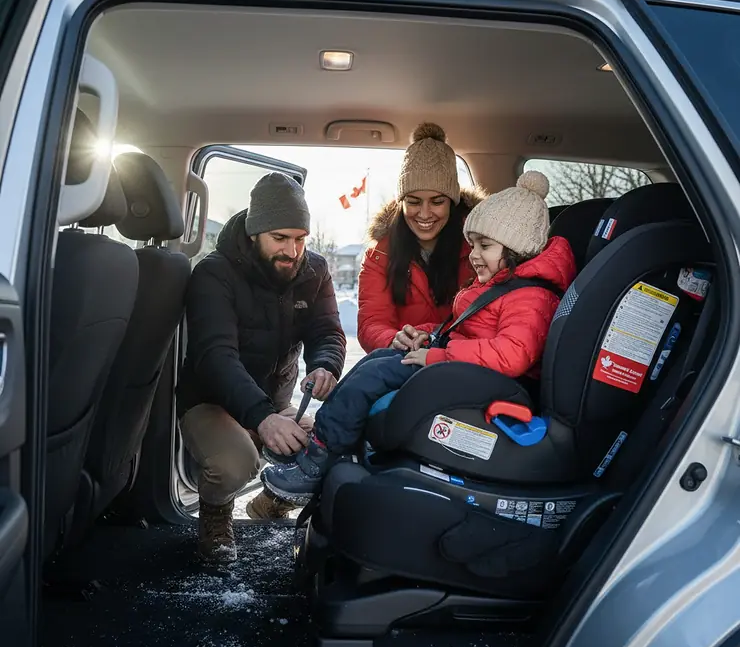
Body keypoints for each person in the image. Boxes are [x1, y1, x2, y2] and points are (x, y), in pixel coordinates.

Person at [261, 170, 577, 501]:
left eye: (485, 246)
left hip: (487, 381)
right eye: (472, 245)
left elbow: (511, 355)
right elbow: (462, 328)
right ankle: (325, 445)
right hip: (466, 367)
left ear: (516, 248)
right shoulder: (500, 284)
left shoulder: (529, 296)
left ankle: (317, 462)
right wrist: (424, 335)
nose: (474, 255)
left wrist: (438, 355)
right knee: (378, 361)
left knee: (377, 374)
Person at [176, 172, 346, 563]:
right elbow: (216, 358)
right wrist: (263, 419)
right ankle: (216, 514)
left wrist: (325, 365)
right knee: (235, 463)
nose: (293, 251)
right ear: (255, 233)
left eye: (301, 239)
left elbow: (328, 330)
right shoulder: (214, 274)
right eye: (280, 238)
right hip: (212, 400)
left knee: (338, 439)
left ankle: (273, 500)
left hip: (277, 400)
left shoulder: (314, 270)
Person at [357, 122, 486, 354]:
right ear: (401, 203)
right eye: (414, 202)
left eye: (437, 201)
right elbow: (371, 322)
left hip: (461, 360)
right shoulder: (380, 255)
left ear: (452, 202)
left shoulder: (482, 247)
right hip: (401, 361)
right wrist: (393, 339)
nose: (425, 214)